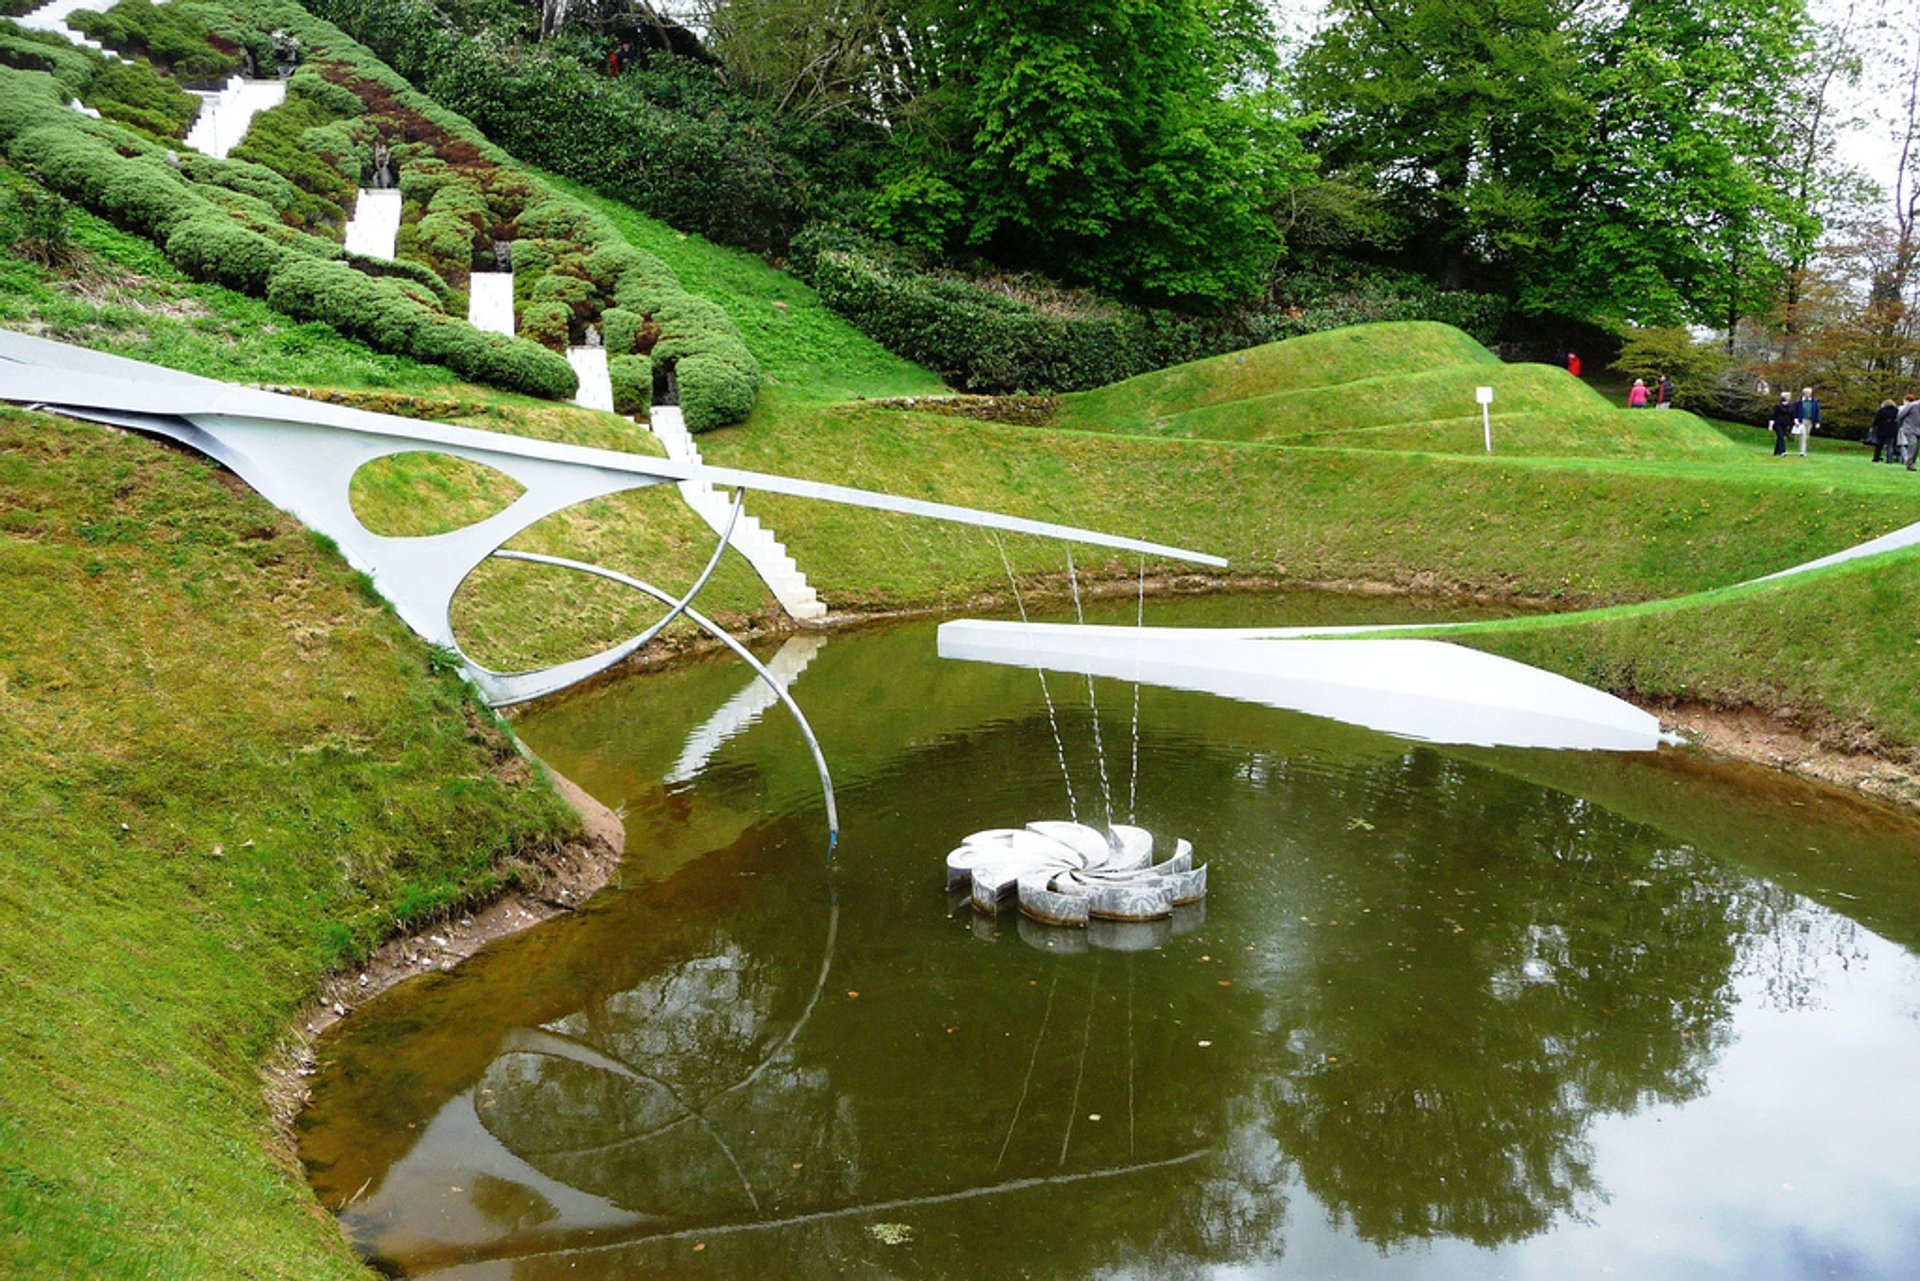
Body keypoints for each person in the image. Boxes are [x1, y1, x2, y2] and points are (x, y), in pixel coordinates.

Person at [1794, 386, 1821, 457]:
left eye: (1809, 393)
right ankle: (1802, 451)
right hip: (1802, 420)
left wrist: (1817, 422)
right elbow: (1795, 411)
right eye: (1806, 393)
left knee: (1807, 436)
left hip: (1810, 421)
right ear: (1803, 393)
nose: (1808, 394)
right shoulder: (1799, 402)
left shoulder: (1814, 402)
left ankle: (1804, 449)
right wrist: (1796, 419)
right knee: (1803, 435)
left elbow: (1817, 412)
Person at [1871, 399, 1899, 463]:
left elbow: (1877, 420)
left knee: (1878, 446)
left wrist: (1874, 426)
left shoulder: (1881, 411)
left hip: (1882, 430)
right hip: (1892, 430)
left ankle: (1876, 458)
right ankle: (1889, 460)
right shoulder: (1896, 411)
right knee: (1890, 446)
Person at [1768, 391, 1795, 457]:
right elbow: (1773, 416)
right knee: (1781, 436)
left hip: (1785, 424)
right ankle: (1783, 451)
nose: (1789, 398)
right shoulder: (1778, 406)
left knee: (1780, 437)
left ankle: (1776, 451)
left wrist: (1793, 423)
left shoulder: (1790, 406)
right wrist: (1771, 425)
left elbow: (1792, 415)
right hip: (1778, 424)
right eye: (1787, 396)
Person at [1898, 393, 1920, 471]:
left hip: (1918, 430)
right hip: (1909, 429)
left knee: (1916, 448)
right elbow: (1900, 415)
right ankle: (1910, 464)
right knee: (1913, 445)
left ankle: (1912, 463)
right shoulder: (1912, 405)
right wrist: (1900, 425)